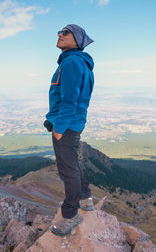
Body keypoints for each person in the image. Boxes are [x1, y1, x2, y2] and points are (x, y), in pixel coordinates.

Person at [43, 24, 95, 236]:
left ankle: (71, 214)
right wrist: (52, 120)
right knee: (73, 163)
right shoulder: (78, 62)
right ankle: (86, 197)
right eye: (59, 31)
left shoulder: (72, 62)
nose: (60, 34)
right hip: (71, 123)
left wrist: (59, 128)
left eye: (66, 32)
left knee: (68, 169)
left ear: (78, 40)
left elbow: (70, 99)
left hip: (67, 126)